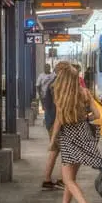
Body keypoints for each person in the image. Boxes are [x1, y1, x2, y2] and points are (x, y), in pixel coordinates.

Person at [50, 61, 99, 203]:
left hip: (69, 138)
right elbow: (97, 115)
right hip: (84, 135)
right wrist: (85, 119)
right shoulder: (85, 93)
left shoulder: (61, 95)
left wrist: (52, 141)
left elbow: (58, 121)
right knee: (71, 179)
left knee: (67, 179)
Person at [36, 59, 61, 190]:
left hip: (51, 120)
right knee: (55, 150)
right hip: (53, 121)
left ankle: (58, 179)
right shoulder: (55, 86)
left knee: (57, 150)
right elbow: (58, 108)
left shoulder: (51, 84)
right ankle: (47, 180)